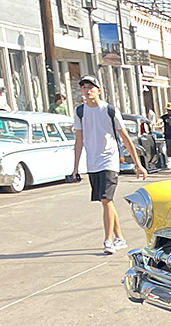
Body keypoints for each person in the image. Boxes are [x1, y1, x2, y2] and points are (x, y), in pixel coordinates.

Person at [69, 74, 147, 255]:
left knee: (106, 199)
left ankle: (108, 240)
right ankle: (120, 237)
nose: (87, 91)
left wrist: (138, 164)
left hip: (109, 160)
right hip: (92, 162)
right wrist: (74, 168)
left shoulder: (109, 110)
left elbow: (125, 137)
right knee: (106, 202)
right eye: (84, 87)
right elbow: (78, 141)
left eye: (91, 87)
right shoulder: (80, 111)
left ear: (98, 90)